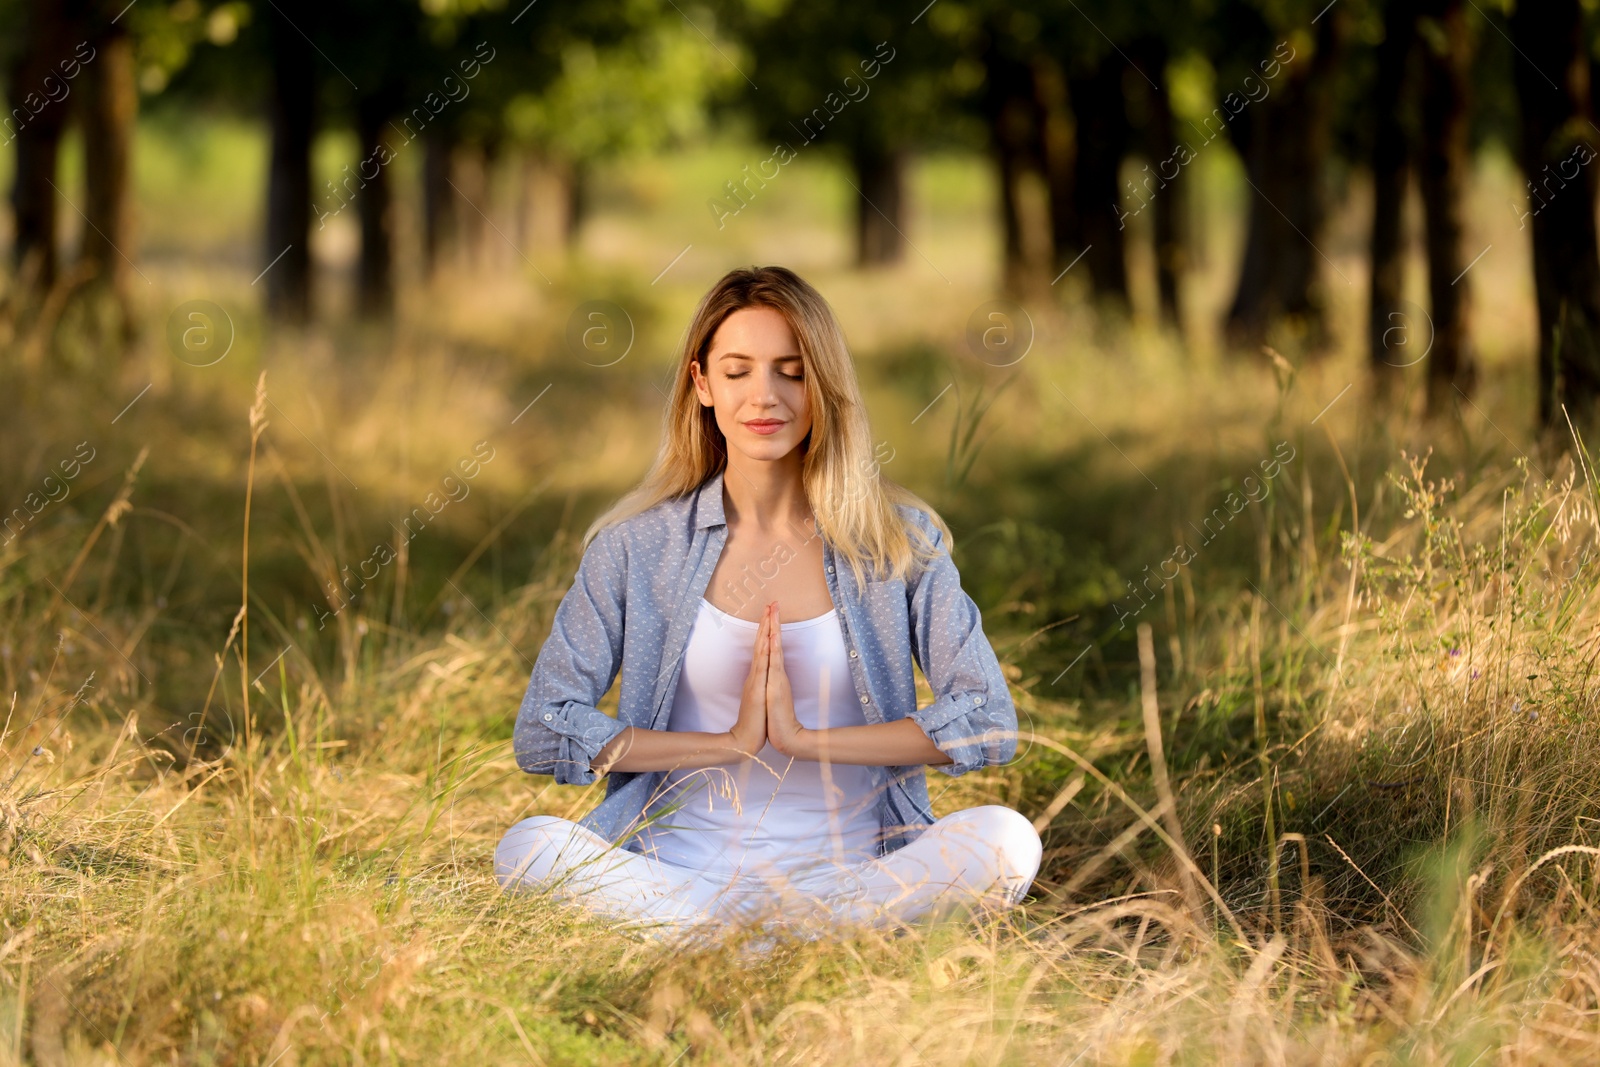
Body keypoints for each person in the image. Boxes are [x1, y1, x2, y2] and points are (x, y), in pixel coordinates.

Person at [495, 265, 1041, 940]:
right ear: (701, 384)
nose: (765, 396)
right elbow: (544, 726)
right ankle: (756, 940)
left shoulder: (898, 541)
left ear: (824, 384)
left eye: (791, 370)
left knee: (1007, 841)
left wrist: (807, 740)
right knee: (527, 848)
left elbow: (989, 719)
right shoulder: (635, 547)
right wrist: (723, 743)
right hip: (676, 878)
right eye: (738, 370)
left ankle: (760, 939)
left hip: (851, 879)